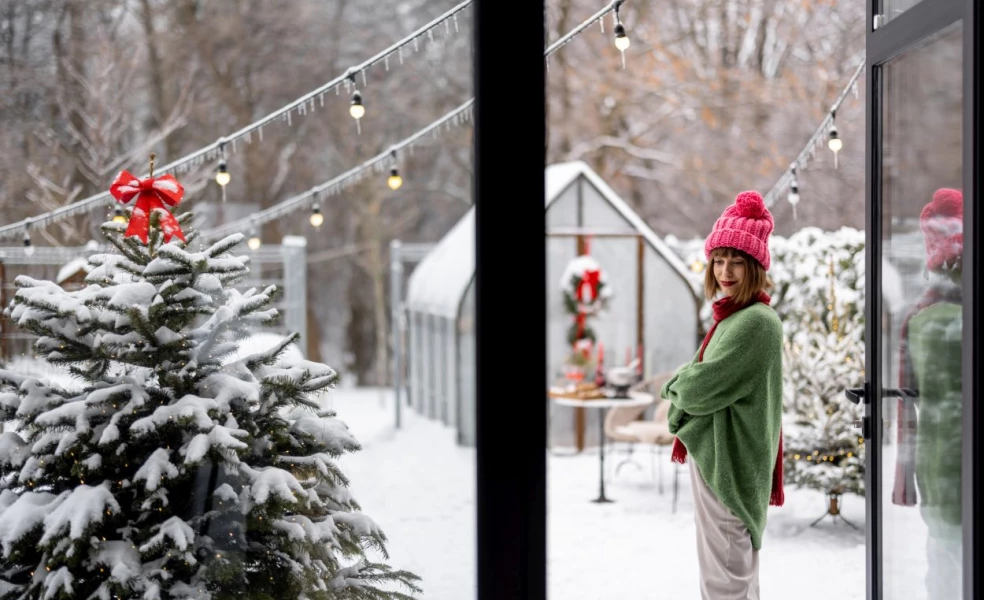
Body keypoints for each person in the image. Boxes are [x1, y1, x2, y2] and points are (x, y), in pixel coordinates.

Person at [661, 190, 784, 600]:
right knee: (728, 582)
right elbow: (701, 380)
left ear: (756, 267)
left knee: (725, 584)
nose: (725, 270)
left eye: (737, 261)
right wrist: (688, 380)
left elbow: (698, 388)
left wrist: (674, 385)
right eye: (719, 259)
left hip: (731, 468)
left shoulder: (756, 323)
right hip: (718, 462)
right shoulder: (734, 317)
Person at [892, 188, 963, 600]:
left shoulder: (918, 319)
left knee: (943, 566)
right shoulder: (929, 321)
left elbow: (905, 404)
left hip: (937, 470)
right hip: (947, 467)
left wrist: (904, 483)